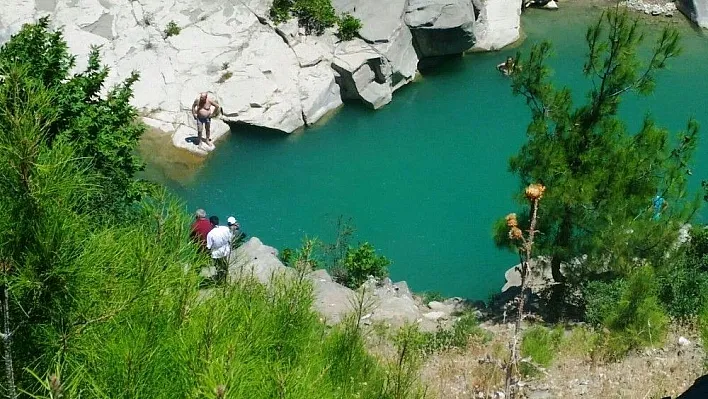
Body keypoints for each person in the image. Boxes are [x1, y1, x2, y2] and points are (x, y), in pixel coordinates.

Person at [206, 215, 233, 282]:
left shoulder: (210, 234)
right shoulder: (225, 229)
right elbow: (230, 238)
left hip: (216, 253)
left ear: (211, 223)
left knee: (217, 266)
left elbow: (209, 246)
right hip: (225, 250)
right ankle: (225, 277)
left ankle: (219, 280)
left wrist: (207, 253)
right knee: (224, 264)